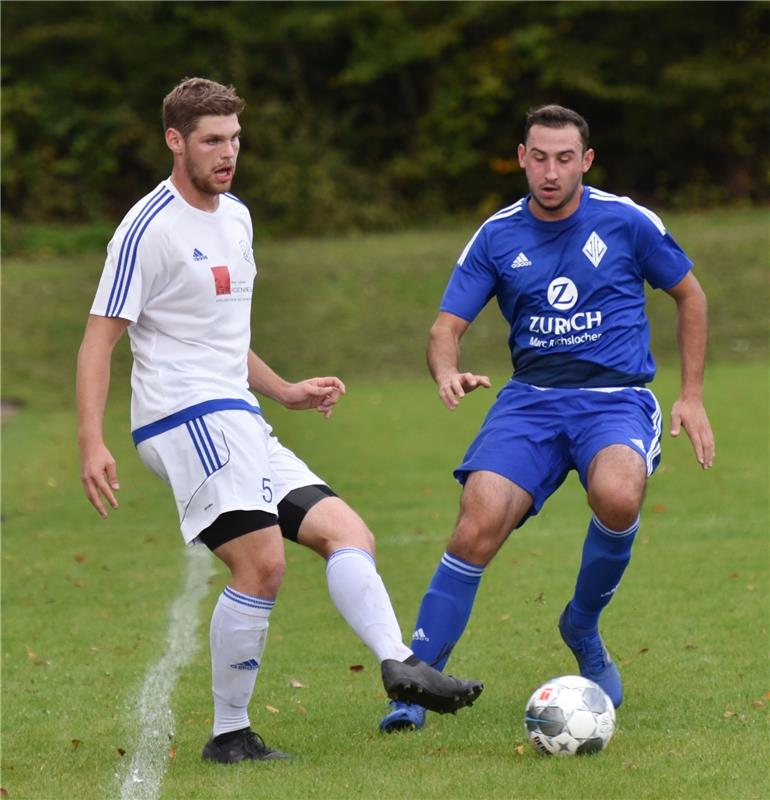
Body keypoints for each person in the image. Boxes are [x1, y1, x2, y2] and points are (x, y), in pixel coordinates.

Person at [76, 77, 482, 764]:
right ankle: (230, 734)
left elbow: (223, 338)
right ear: (175, 141)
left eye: (235, 139)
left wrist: (285, 391)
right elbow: (98, 340)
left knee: (347, 532)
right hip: (184, 415)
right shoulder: (148, 228)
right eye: (212, 140)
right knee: (260, 562)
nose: (227, 153)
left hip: (238, 412)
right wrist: (91, 439)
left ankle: (399, 663)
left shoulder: (235, 216)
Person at [380, 104, 715, 732]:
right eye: (540, 157)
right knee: (476, 522)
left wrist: (690, 394)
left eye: (565, 158)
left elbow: (690, 294)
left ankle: (582, 624)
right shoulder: (496, 234)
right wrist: (446, 370)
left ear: (585, 161)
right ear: (521, 158)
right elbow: (444, 328)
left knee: (617, 496)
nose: (551, 171)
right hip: (530, 400)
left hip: (615, 398)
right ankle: (418, 683)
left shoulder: (627, 221)